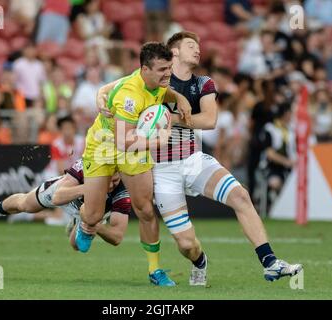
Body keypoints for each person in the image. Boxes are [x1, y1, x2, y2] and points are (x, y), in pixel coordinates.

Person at [98, 32, 303, 285]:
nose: (198, 50)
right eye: (191, 46)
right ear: (174, 53)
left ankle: (270, 262)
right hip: (162, 169)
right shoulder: (154, 76)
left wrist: (168, 118)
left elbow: (209, 120)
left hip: (193, 159)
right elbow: (113, 87)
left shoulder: (203, 83)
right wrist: (100, 96)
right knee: (186, 245)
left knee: (241, 196)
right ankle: (199, 261)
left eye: (198, 45)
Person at [76, 42, 192, 287]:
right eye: (162, 69)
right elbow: (122, 141)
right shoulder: (130, 95)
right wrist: (159, 141)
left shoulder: (158, 82)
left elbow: (163, 92)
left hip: (134, 143)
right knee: (94, 214)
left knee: (146, 210)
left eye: (169, 67)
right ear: (144, 69)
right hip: (105, 145)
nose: (167, 74)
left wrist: (178, 96)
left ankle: (154, 270)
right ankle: (84, 220)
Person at [0, 159, 131, 250]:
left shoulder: (123, 192)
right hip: (68, 195)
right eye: (107, 180)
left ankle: (83, 221)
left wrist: (97, 226)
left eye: (115, 181)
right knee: (25, 204)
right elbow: (58, 197)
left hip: (89, 212)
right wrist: (89, 189)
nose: (110, 185)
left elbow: (117, 238)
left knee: (77, 246)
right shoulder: (88, 165)